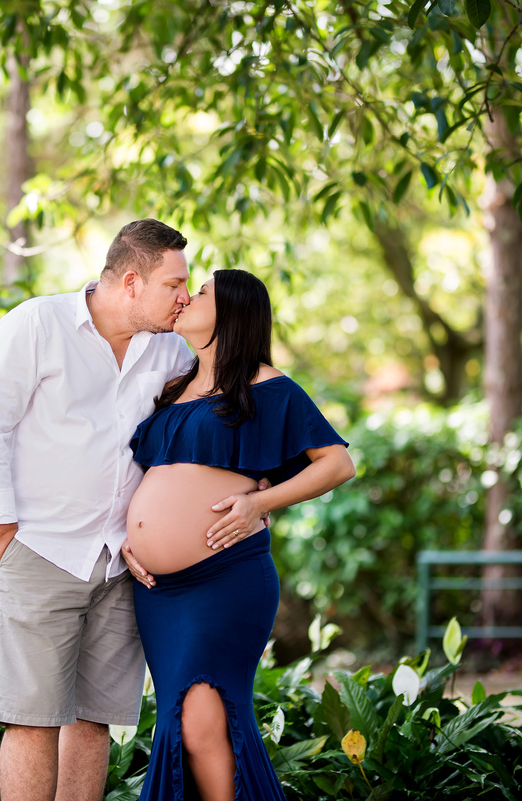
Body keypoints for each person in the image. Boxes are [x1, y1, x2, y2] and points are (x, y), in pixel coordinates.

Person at [0, 219, 197, 801]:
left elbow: (203, 421)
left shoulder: (168, 348)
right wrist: (3, 532)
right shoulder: (36, 325)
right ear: (133, 281)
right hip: (40, 549)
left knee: (95, 720)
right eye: (175, 284)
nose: (185, 297)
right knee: (32, 718)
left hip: (122, 561)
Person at [124, 269, 356, 801]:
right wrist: (130, 540)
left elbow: (337, 464)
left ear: (232, 310)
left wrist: (260, 502)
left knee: (205, 717)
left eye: (200, 291)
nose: (186, 297)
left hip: (225, 577)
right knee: (182, 725)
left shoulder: (267, 386)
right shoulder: (173, 388)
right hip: (159, 593)